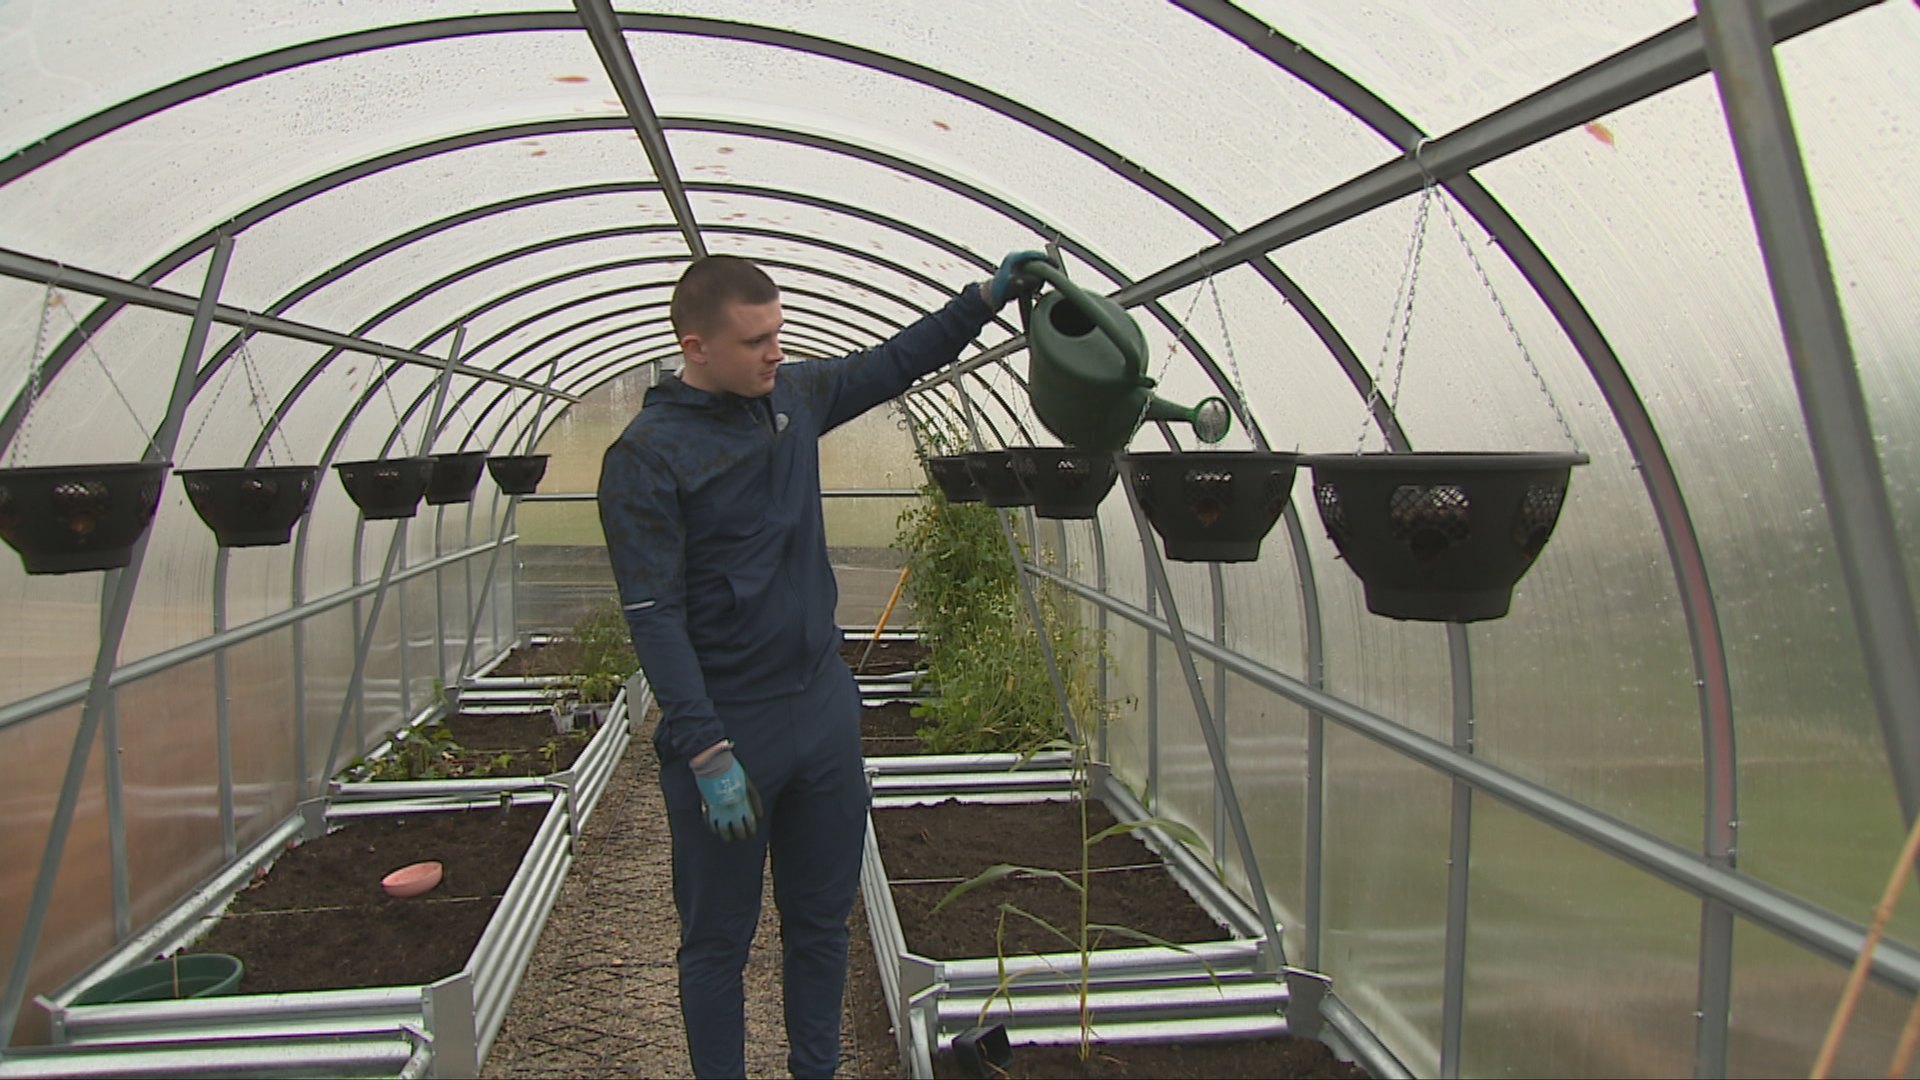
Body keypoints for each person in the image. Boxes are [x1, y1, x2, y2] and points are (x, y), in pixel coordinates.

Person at [597, 250, 1046, 1078]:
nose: (776, 351)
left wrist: (982, 299)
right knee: (718, 943)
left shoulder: (792, 399)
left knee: (820, 920)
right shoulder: (647, 457)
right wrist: (703, 748)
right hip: (731, 726)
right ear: (696, 348)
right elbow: (654, 615)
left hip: (822, 708)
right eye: (756, 339)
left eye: (780, 333)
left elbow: (893, 364)